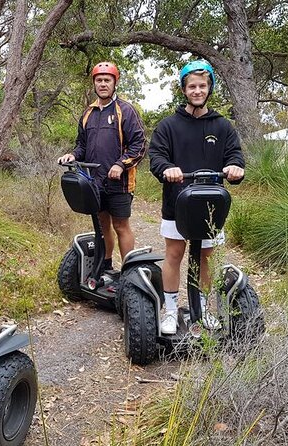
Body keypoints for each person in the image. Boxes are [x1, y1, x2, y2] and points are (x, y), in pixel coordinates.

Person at [148, 59, 245, 335]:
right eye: (192, 86)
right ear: (184, 89)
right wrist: (168, 169)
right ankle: (169, 310)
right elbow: (157, 157)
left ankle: (200, 310)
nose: (197, 91)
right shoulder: (169, 126)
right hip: (177, 203)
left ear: (209, 88)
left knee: (205, 256)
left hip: (212, 205)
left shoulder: (222, 126)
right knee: (174, 253)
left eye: (202, 86)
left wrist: (235, 168)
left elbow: (235, 155)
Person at [57, 61, 146, 272]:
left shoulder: (125, 110)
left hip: (120, 182)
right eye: (99, 80)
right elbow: (82, 145)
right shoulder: (88, 112)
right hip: (94, 182)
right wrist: (72, 155)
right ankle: (105, 267)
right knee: (102, 225)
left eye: (107, 80)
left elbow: (139, 145)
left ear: (115, 83)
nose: (103, 84)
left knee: (121, 226)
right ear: (94, 84)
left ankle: (129, 273)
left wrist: (120, 165)